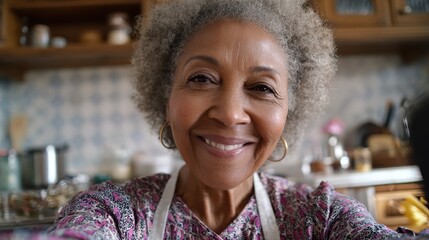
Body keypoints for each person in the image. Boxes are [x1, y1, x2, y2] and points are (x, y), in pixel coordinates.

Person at [46, 0, 421, 239]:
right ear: (166, 97)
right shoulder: (116, 213)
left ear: (289, 111)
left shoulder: (317, 219)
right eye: (201, 79)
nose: (229, 113)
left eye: (261, 88)